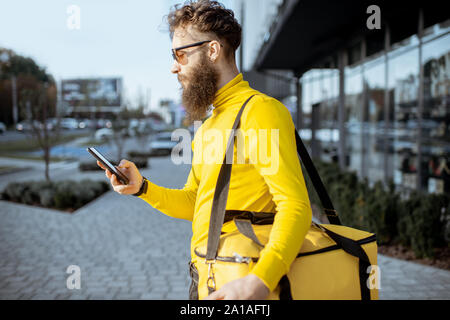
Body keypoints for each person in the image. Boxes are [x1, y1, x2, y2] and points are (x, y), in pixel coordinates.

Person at [97, 0, 312, 300]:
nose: (174, 66)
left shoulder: (260, 111)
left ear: (212, 50)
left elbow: (295, 205)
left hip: (244, 280)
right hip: (206, 273)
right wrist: (142, 187)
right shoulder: (208, 126)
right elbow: (195, 203)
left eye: (181, 55)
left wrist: (261, 281)